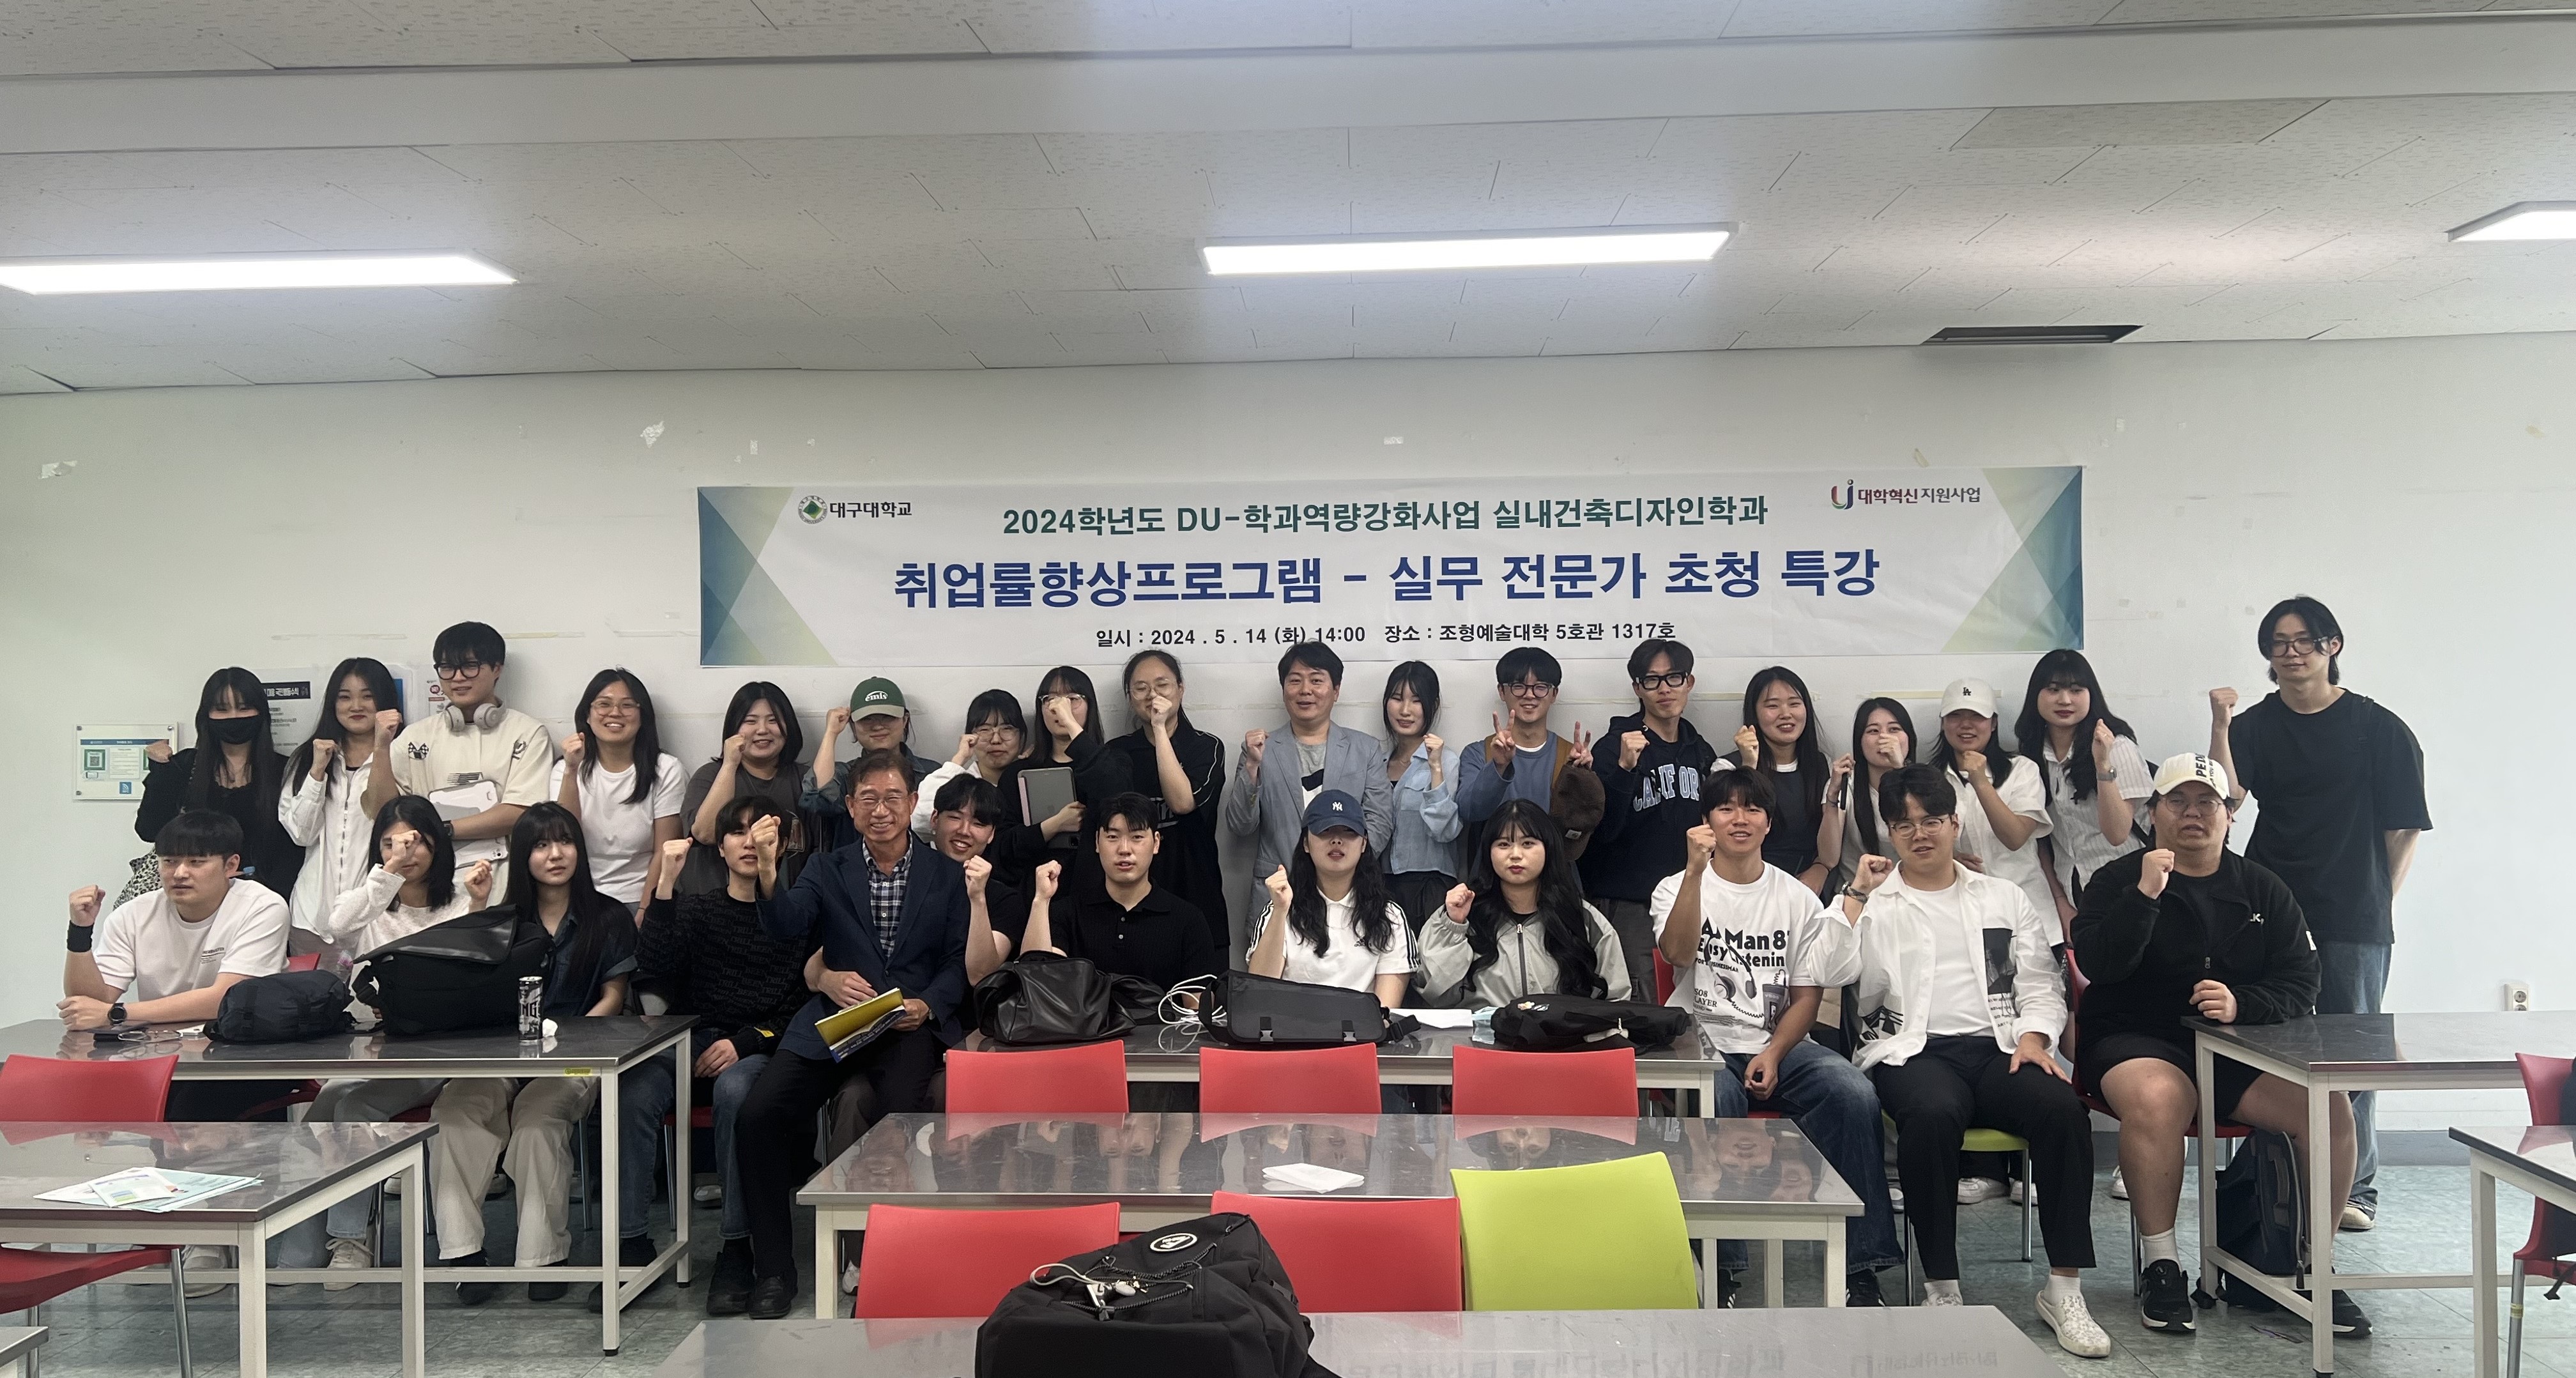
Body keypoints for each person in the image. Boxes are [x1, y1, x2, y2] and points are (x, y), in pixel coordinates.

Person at [2073, 753, 2364, 1337]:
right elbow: (2099, 965)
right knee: (2160, 1097)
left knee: (2328, 1109)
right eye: (2177, 801)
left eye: (2207, 802)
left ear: (2229, 815)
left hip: (2233, 1046)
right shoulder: (2116, 880)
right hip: (2134, 1036)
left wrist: (2242, 1003)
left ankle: (2311, 1265)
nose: (2193, 813)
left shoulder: (2262, 886)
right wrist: (2145, 896)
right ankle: (2162, 1264)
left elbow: (2302, 980)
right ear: (2152, 813)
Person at [1844, 766, 2103, 1354]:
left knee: (2063, 1111)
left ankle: (2064, 1288)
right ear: (1890, 833)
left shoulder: (2001, 897)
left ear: (1956, 823)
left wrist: (2035, 1036)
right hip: (1912, 1050)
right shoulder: (1875, 902)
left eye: (1932, 820)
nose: (1920, 834)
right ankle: (1942, 1286)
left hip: (2001, 1047)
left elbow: (2040, 981)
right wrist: (1855, 897)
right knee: (1932, 1114)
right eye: (1904, 824)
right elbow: (1830, 970)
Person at [2207, 595, 2430, 1232]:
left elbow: (2404, 829)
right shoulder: (2254, 725)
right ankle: (2273, 1177)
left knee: (2354, 1051)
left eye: (2305, 639)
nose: (2291, 652)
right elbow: (2227, 797)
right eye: (2279, 642)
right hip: (2268, 907)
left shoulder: (2378, 728)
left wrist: (2376, 900)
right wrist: (2220, 724)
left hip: (2353, 911)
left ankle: (2356, 1186)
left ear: (2333, 646)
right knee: (2269, 1041)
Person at [1651, 769, 1900, 1308]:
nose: (1739, 819)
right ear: (1706, 820)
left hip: (1779, 1042)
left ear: (1769, 822)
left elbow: (1807, 995)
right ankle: (1724, 1267)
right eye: (1726, 808)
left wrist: (1773, 1051)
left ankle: (1861, 1267)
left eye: (1752, 809)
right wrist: (1695, 872)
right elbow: (1678, 954)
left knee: (1854, 1093)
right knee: (1718, 1095)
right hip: (1702, 1040)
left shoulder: (1796, 897)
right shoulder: (1674, 886)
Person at [737, 749, 970, 1319]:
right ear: (850, 805)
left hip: (905, 1029)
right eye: (868, 798)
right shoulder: (826, 867)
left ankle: (885, 1258)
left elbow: (957, 962)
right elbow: (787, 926)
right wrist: (768, 869)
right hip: (836, 1025)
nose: (881, 810)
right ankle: (774, 1269)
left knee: (896, 1121)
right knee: (758, 1114)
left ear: (913, 803)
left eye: (892, 798)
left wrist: (928, 1004)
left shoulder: (946, 873)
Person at [277, 795, 493, 1281]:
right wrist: (388, 872)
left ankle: (351, 1241)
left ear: (437, 844)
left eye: (416, 842)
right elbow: (338, 926)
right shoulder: (374, 901)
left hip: (441, 1053)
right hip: (381, 1048)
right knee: (319, 1112)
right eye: (391, 844)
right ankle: (302, 1249)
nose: (405, 852)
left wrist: (479, 905)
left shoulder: (462, 900)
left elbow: (476, 970)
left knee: (354, 1108)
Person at [431, 802, 638, 1304]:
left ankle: (544, 1255)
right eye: (541, 845)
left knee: (537, 1119)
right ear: (523, 855)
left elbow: (614, 996)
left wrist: (572, 1039)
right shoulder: (505, 919)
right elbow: (471, 984)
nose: (555, 854)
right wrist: (479, 905)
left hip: (578, 1056)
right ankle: (464, 1253)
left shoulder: (609, 916)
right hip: (504, 1055)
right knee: (452, 1112)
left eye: (564, 841)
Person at [620, 798, 813, 1318]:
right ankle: (630, 1241)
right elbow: (652, 967)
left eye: (762, 831)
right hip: (690, 1040)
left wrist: (745, 1042)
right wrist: (665, 884)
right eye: (737, 832)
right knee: (632, 1090)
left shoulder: (797, 914)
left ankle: (736, 1246)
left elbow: (800, 1006)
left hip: (758, 1046)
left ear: (782, 844)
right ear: (721, 847)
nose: (749, 841)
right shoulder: (698, 910)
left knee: (735, 1090)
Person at [63, 809, 291, 1121]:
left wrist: (117, 1014)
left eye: (196, 862)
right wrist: (80, 932)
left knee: (186, 1112)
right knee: (82, 1100)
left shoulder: (263, 906)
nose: (180, 873)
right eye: (169, 861)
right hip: (160, 1052)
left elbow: (228, 999)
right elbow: (88, 1004)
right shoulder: (133, 914)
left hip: (242, 1053)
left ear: (231, 866)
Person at [1223, 641, 1393, 949]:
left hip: (1349, 896)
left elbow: (1379, 823)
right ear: (1284, 689)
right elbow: (1240, 825)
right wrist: (1252, 768)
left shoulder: (1365, 749)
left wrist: (1340, 871)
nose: (1305, 690)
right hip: (1277, 895)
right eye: (1295, 680)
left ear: (1336, 690)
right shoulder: (1260, 750)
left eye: (1317, 680)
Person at [1584, 638, 1722, 1002]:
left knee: (1695, 1000)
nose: (1664, 689)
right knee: (1643, 1004)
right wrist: (1624, 770)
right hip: (1631, 905)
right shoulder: (1612, 748)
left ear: (1689, 683)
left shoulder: (1701, 751)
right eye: (1652, 680)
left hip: (1690, 898)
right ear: (1637, 688)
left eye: (1674, 678)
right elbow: (1602, 832)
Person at [388, 622, 556, 895]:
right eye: (447, 668)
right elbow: (385, 810)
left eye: (470, 666)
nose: (457, 678)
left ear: (497, 669)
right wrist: (380, 746)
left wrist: (441, 830)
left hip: (502, 883)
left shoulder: (527, 733)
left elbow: (521, 812)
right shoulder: (415, 736)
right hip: (428, 885)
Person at [1416, 800, 1632, 1008]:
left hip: (1561, 1033)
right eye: (1503, 844)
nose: (1516, 855)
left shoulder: (1581, 917)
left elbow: (1616, 1000)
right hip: (1483, 1033)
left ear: (1549, 849)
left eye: (1528, 843)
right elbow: (1436, 995)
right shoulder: (1461, 913)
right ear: (1488, 852)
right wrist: (1454, 926)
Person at [1023, 792, 1222, 995]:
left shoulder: (1188, 921)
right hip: (1083, 1017)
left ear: (1156, 843)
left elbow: (1196, 1007)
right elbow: (1037, 984)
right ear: (1097, 842)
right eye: (1113, 837)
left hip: (1161, 1017)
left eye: (1137, 837)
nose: (1124, 849)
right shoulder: (1068, 913)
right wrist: (1041, 901)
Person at [2016, 650, 2153, 926]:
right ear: (2036, 695)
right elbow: (2042, 838)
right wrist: (2060, 902)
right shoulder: (2032, 753)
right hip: (2074, 890)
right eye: (2053, 689)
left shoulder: (2118, 747)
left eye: (2076, 690)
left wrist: (2102, 764)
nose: (2065, 700)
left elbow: (2117, 834)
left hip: (2129, 886)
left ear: (2092, 695)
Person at [137, 666, 301, 897]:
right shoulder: (184, 766)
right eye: (222, 709)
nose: (234, 717)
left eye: (244, 708)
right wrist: (161, 770)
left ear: (262, 713)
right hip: (194, 899)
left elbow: (295, 847)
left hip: (263, 900)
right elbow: (149, 830)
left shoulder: (286, 770)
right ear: (206, 715)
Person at [1106, 652, 1230, 953]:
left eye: (1162, 685)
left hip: (1197, 895)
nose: (1152, 695)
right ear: (1130, 698)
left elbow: (1182, 803)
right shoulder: (1117, 753)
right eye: (1141, 688)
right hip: (1131, 904)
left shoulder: (1206, 747)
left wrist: (1159, 729)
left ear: (1181, 690)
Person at [1247, 790, 1413, 1009]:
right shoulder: (1280, 907)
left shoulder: (1390, 916)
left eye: (1349, 831)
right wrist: (1280, 911)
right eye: (1325, 831)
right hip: (1292, 1027)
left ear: (1364, 844)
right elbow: (1259, 993)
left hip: (1362, 1029)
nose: (1337, 840)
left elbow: (1384, 1014)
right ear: (1306, 843)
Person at [280, 657, 404, 945]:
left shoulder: (404, 754)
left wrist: (382, 746)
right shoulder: (307, 758)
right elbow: (301, 834)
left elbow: (391, 824)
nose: (356, 706)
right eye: (345, 697)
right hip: (310, 918)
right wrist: (317, 772)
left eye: (368, 696)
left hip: (376, 915)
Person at [987, 666, 1135, 897]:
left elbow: (1116, 793)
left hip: (1099, 891)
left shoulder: (1112, 761)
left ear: (1090, 705)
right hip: (1036, 893)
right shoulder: (1019, 772)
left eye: (1073, 699)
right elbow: (1001, 848)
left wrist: (1072, 725)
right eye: (1051, 699)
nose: (1060, 707)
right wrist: (1053, 826)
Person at [549, 669, 684, 910]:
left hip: (641, 894)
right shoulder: (566, 768)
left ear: (643, 716)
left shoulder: (666, 769)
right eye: (604, 704)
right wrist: (571, 770)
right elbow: (564, 835)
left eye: (627, 705)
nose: (615, 713)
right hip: (579, 895)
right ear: (587, 715)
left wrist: (645, 910)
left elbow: (665, 852)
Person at [1455, 647, 1605, 861]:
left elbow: (1580, 829)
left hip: (1555, 874)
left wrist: (1580, 777)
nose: (1529, 695)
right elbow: (1470, 811)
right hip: (1493, 874)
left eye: (1541, 687)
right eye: (1518, 686)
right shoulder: (1479, 753)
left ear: (1554, 694)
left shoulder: (1570, 756)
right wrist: (1498, 766)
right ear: (1501, 691)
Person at [1928, 678, 2056, 926]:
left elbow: (2015, 838)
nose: (1966, 725)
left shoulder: (2022, 770)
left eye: (1977, 716)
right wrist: (1948, 859)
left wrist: (1980, 781)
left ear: (1994, 723)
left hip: (2027, 911)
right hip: (1961, 915)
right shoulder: (1930, 779)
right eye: (1955, 716)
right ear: (1943, 723)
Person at [682, 682, 811, 894]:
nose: (762, 730)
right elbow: (705, 834)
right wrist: (730, 765)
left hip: (788, 903)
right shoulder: (710, 776)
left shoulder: (805, 779)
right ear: (734, 729)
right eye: (750, 721)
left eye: (773, 720)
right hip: (716, 904)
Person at [1732, 666, 1836, 896]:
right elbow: (1733, 832)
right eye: (1772, 706)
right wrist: (1748, 765)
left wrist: (1821, 868)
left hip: (1810, 889)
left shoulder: (1823, 766)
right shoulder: (1727, 768)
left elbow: (1832, 843)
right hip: (1749, 887)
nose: (1786, 714)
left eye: (1794, 703)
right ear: (1754, 713)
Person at [1378, 661, 1461, 933]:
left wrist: (1435, 767)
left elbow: (1445, 831)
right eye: (1397, 698)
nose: (1405, 710)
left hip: (1430, 888)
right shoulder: (1376, 763)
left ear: (1432, 705)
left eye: (1416, 700)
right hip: (1380, 885)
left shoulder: (1447, 762)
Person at [935, 774, 1033, 985]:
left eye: (978, 824)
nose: (964, 831)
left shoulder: (1005, 900)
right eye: (955, 818)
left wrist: (978, 897)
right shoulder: (908, 878)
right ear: (935, 819)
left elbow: (981, 975)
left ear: (991, 835)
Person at [806, 676, 944, 825]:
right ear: (853, 725)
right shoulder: (844, 775)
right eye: (867, 719)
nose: (878, 726)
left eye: (888, 717)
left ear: (905, 720)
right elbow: (818, 802)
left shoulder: (932, 774)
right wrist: (831, 733)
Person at [905, 688, 1027, 838]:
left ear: (1022, 736)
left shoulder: (1029, 781)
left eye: (1007, 729)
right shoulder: (961, 784)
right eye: (985, 730)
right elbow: (920, 820)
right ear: (970, 736)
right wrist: (959, 759)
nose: (996, 740)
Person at [1828, 698, 1918, 889]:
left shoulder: (1925, 784)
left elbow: (1921, 840)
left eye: (1894, 729)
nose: (1884, 738)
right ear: (1859, 742)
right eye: (1873, 731)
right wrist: (1832, 797)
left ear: (1909, 738)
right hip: (1860, 893)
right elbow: (1829, 857)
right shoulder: (1847, 784)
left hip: (1913, 892)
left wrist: (1899, 769)